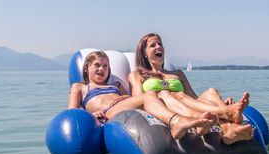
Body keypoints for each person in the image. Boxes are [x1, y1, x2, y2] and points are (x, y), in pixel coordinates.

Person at [129, 33, 255, 145]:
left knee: (211, 92)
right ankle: (226, 113)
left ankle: (229, 128)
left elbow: (194, 98)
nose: (158, 47)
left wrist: (217, 102)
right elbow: (139, 101)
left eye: (160, 44)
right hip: (166, 107)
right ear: (144, 53)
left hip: (185, 104)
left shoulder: (177, 74)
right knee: (172, 94)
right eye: (152, 45)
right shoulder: (137, 75)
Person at [69, 51, 216, 140]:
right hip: (109, 112)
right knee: (149, 95)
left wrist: (126, 98)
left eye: (106, 66)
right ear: (87, 68)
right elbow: (72, 114)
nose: (102, 69)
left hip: (128, 110)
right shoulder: (80, 87)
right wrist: (92, 116)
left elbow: (130, 99)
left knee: (160, 96)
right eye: (97, 65)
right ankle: (176, 122)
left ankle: (196, 119)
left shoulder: (115, 85)